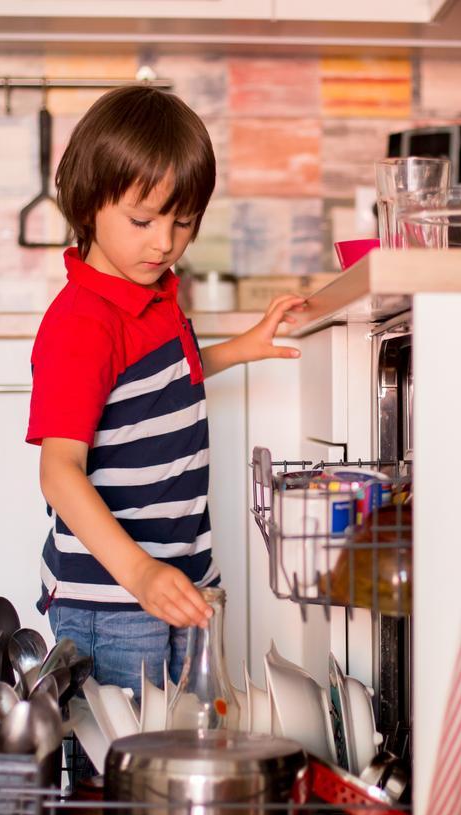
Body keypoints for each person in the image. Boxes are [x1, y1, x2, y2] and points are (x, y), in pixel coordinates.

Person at [25, 85, 302, 701]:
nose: (164, 243)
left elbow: (157, 380)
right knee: (118, 772)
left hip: (176, 578)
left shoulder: (151, 296)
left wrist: (241, 347)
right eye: (143, 221)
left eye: (183, 222)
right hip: (111, 598)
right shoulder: (83, 322)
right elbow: (59, 471)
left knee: (172, 751)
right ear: (89, 201)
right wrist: (140, 574)